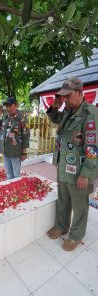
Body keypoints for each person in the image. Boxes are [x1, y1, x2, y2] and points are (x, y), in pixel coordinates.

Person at [46, 76, 98, 251]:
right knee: (63, 200)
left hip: (79, 171)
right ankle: (61, 226)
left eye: (68, 96)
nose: (65, 100)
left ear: (79, 93)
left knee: (79, 205)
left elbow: (93, 147)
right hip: (64, 168)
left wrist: (85, 174)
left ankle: (76, 235)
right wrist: (55, 105)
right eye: (63, 97)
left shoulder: (90, 113)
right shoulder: (68, 111)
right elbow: (55, 118)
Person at [0, 96, 29, 179]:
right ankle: (10, 189)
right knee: (8, 173)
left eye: (10, 105)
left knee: (16, 174)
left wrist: (24, 152)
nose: (8, 108)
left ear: (16, 105)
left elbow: (25, 135)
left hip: (15, 151)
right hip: (5, 149)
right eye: (7, 106)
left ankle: (16, 190)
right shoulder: (6, 116)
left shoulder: (21, 118)